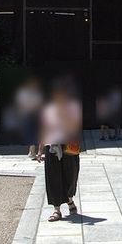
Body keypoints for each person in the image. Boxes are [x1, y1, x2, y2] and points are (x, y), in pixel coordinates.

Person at [38, 78, 82, 222]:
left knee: (71, 176)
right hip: (52, 147)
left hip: (68, 147)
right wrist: (39, 150)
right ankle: (56, 210)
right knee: (53, 178)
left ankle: (69, 199)